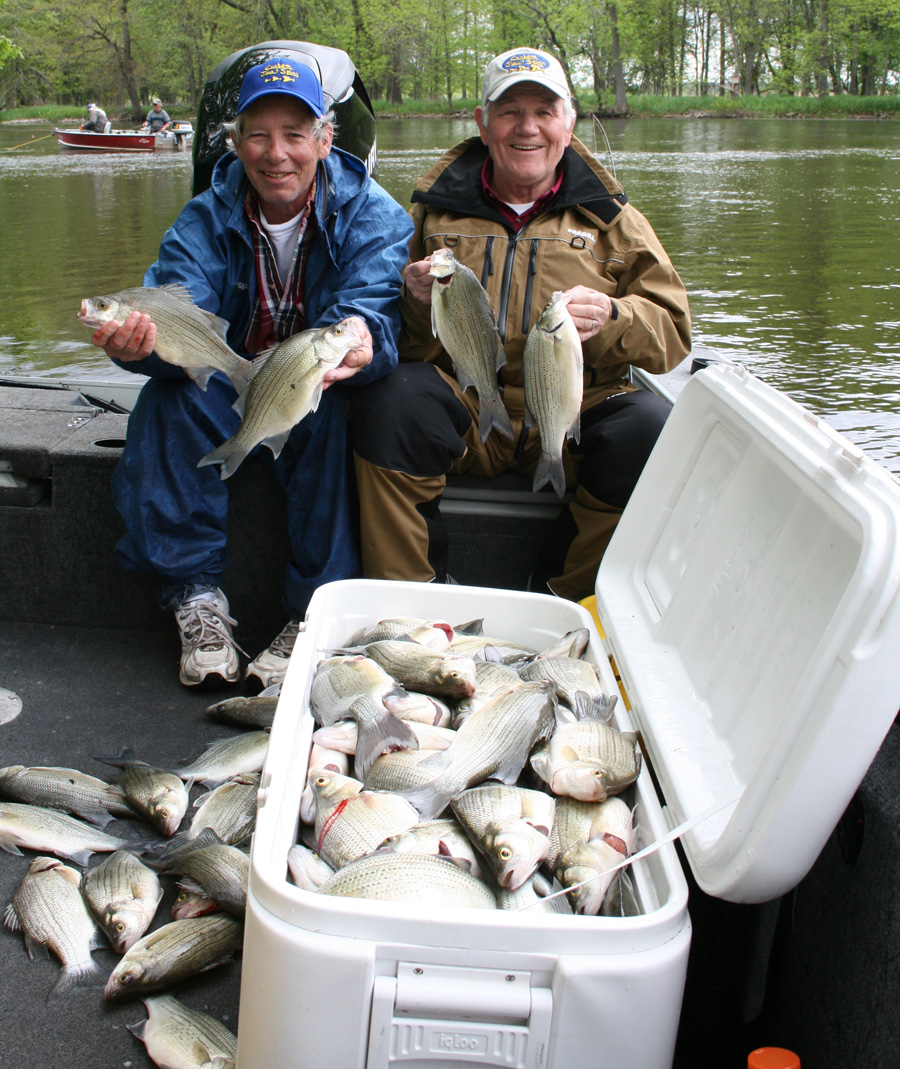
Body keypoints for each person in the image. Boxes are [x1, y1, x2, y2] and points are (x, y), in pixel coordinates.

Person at [89, 56, 414, 688]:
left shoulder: (373, 214)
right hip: (231, 386)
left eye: (295, 135)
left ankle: (314, 614)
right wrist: (138, 349)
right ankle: (196, 598)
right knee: (165, 400)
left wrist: (366, 339)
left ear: (325, 140)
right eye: (258, 135)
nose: (276, 154)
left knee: (334, 406)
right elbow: (178, 318)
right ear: (234, 141)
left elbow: (372, 305)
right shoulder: (203, 218)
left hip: (310, 383)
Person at [349, 47, 691, 601]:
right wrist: (413, 302)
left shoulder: (615, 223)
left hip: (568, 416)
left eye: (544, 111)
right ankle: (412, 602)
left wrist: (613, 317)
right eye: (509, 112)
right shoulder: (427, 215)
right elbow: (382, 331)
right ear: (483, 124)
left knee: (650, 425)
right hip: (466, 412)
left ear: (568, 122)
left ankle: (571, 597)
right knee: (390, 400)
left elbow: (673, 334)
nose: (527, 128)